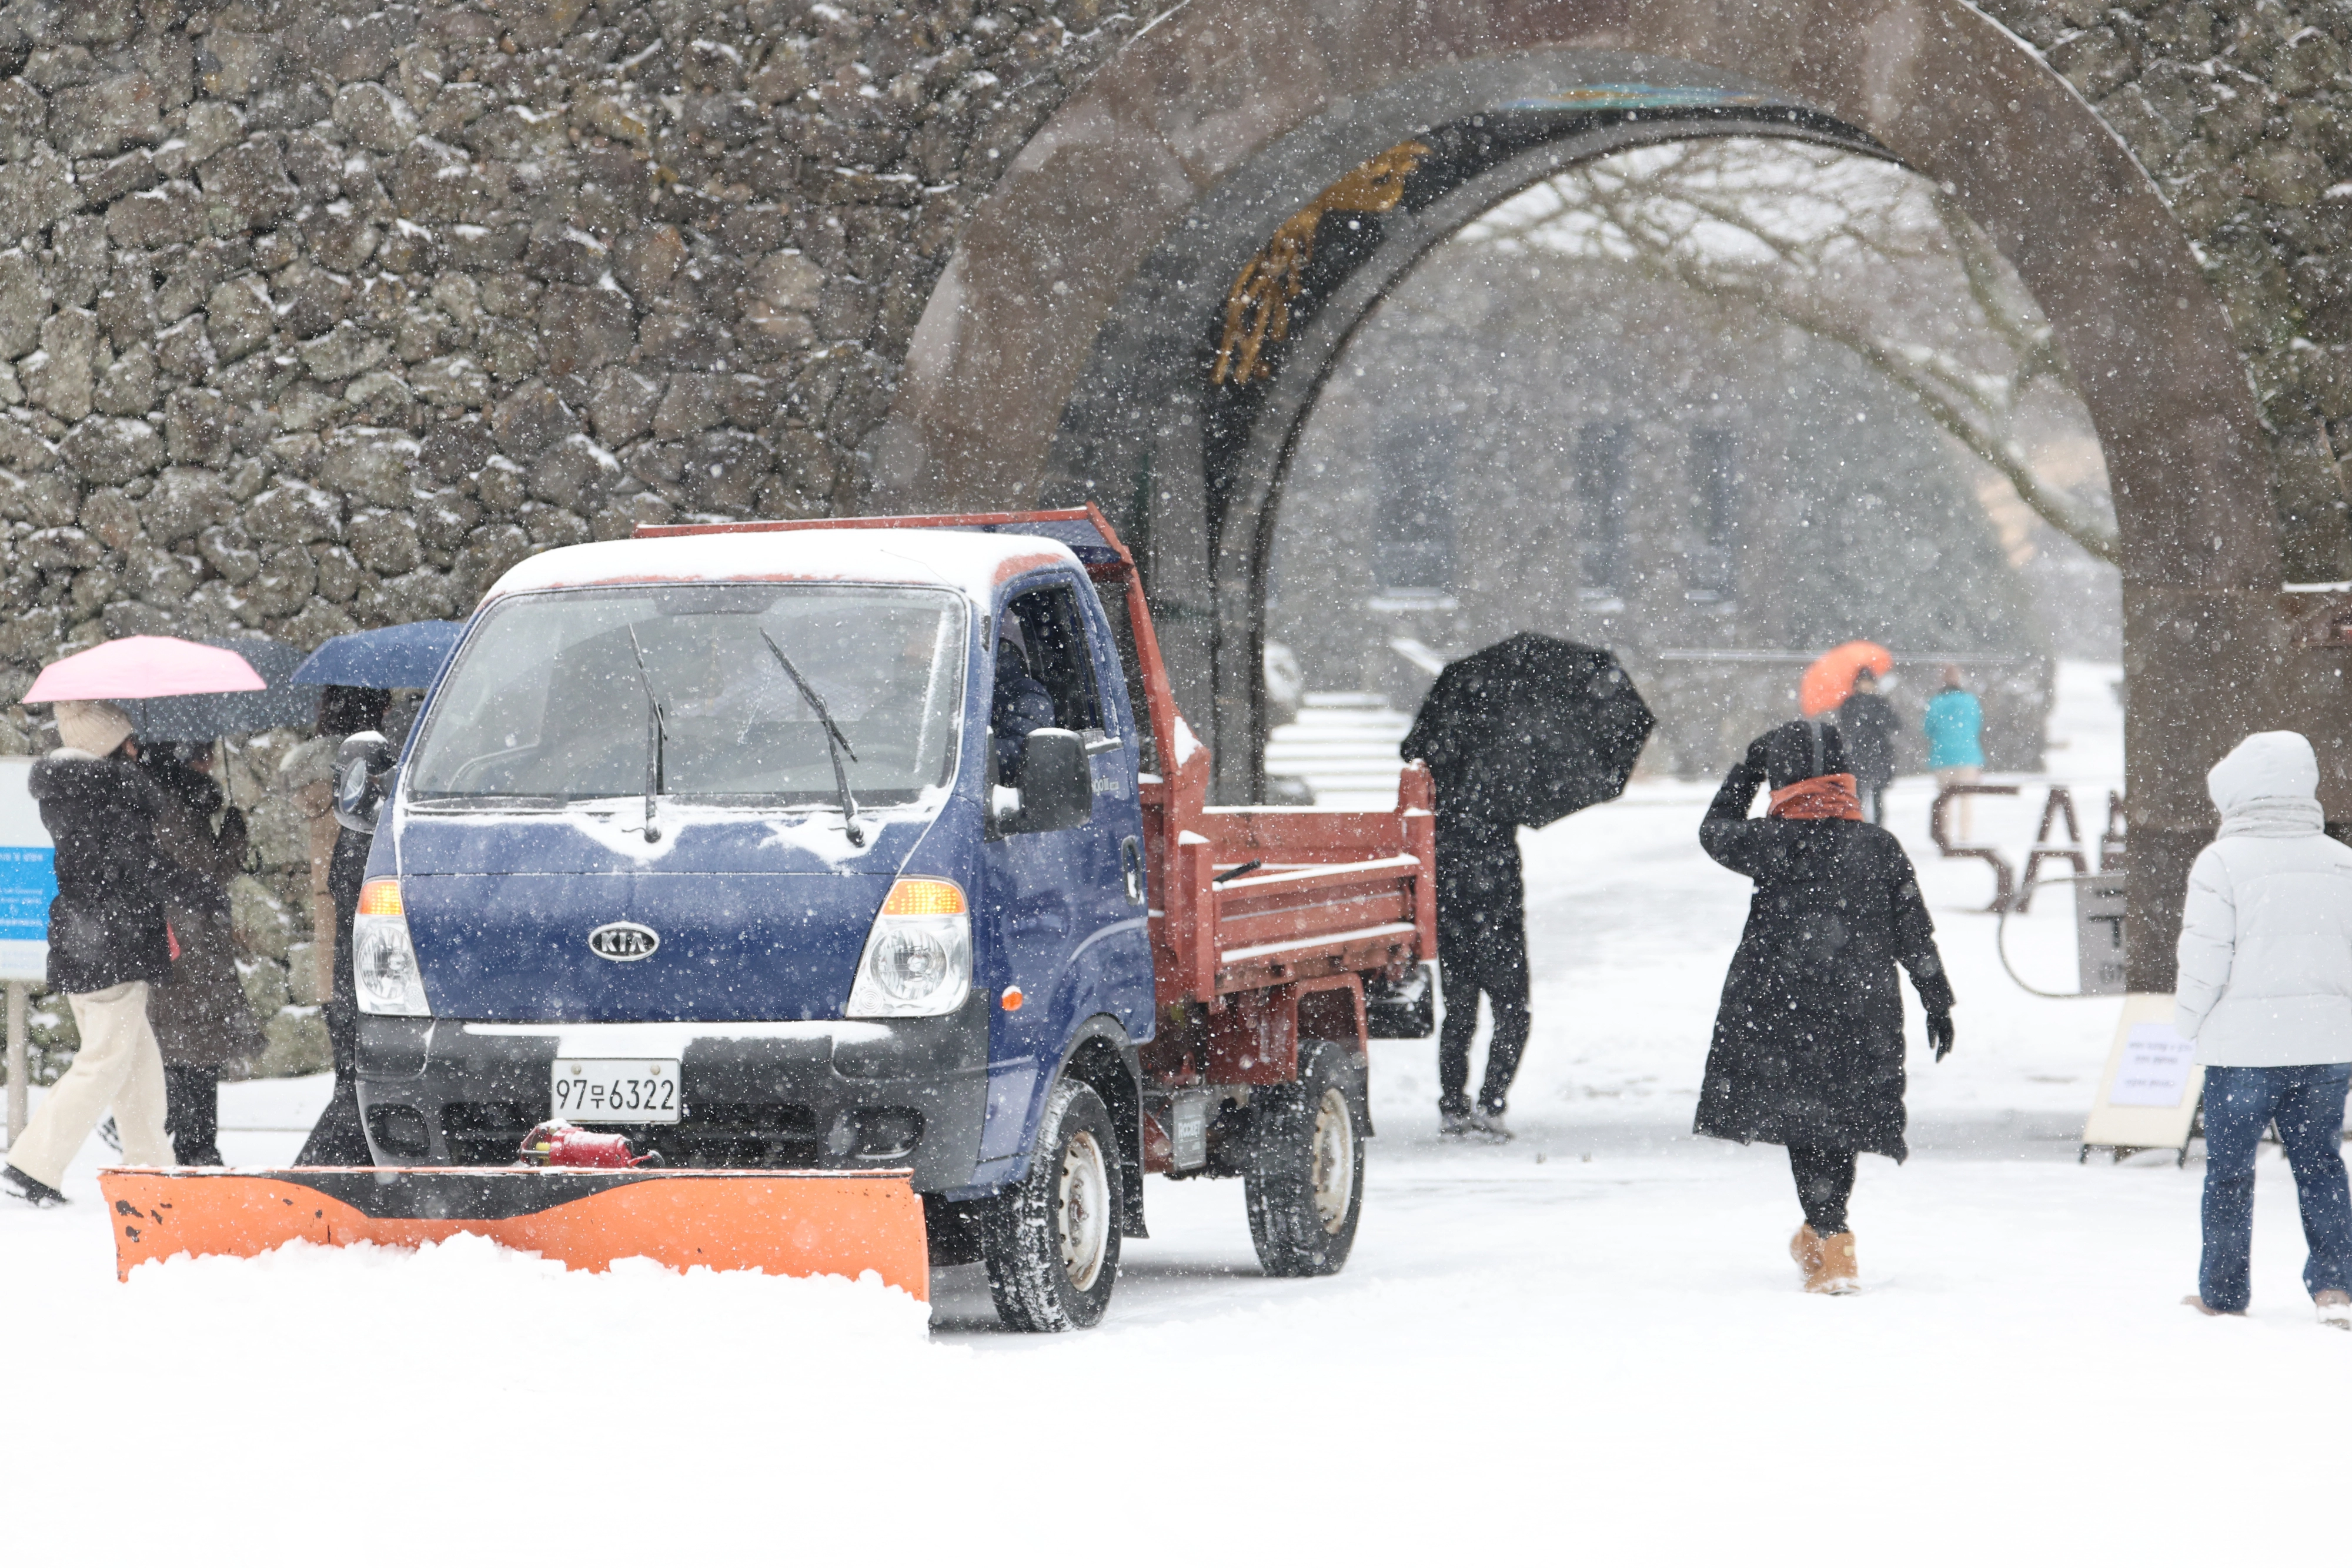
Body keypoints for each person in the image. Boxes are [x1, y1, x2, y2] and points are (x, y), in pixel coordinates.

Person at [1695, 718, 1955, 1293]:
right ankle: (1827, 1236)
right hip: (1862, 1007)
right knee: (1841, 1121)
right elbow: (1912, 929)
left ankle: (1831, 1238)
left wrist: (1747, 769)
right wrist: (1937, 1000)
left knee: (1805, 1123)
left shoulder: (1770, 845)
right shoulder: (1878, 847)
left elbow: (1714, 830)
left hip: (1781, 1003)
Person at [2173, 731, 2352, 1328]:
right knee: (2321, 1164)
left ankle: (2223, 1293)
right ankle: (2335, 1287)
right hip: (2327, 1045)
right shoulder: (2340, 861)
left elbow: (2204, 957)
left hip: (2245, 1047)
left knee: (2229, 1173)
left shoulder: (2222, 862)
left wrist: (2183, 1024)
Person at [2, 701, 178, 1205]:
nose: (137, 747)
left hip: (91, 943)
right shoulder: (107, 800)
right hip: (109, 949)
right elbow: (137, 870)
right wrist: (196, 889)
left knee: (137, 1065)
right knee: (103, 1063)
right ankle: (32, 1166)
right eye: (128, 740)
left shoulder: (79, 797)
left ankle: (152, 1167)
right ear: (109, 745)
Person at [142, 740, 263, 1165]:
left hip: (181, 938)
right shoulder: (177, 808)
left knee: (185, 1043)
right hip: (191, 942)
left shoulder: (163, 801)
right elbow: (207, 874)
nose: (212, 762)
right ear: (191, 760)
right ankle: (194, 1143)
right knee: (194, 1047)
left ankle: (186, 1135)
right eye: (206, 753)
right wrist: (234, 836)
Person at [1428, 808, 1528, 1141]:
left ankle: (1455, 1107)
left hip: (1456, 930)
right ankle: (1490, 1104)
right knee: (1512, 1017)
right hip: (1500, 934)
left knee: (1459, 1019)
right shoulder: (1504, 798)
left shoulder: (1444, 809)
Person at [1922, 664, 1984, 838]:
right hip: (1968, 756)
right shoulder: (1971, 701)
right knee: (1967, 799)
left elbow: (1928, 729)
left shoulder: (1936, 702)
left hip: (1943, 757)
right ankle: (1965, 837)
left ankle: (1945, 837)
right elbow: (1977, 726)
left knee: (1945, 800)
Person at [1838, 667, 1899, 826]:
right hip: (1857, 754)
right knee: (1857, 795)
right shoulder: (1850, 703)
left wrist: (1879, 717)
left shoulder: (1881, 702)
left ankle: (1878, 827)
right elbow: (1846, 726)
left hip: (1878, 753)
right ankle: (1858, 825)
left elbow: (1895, 724)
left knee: (1877, 795)